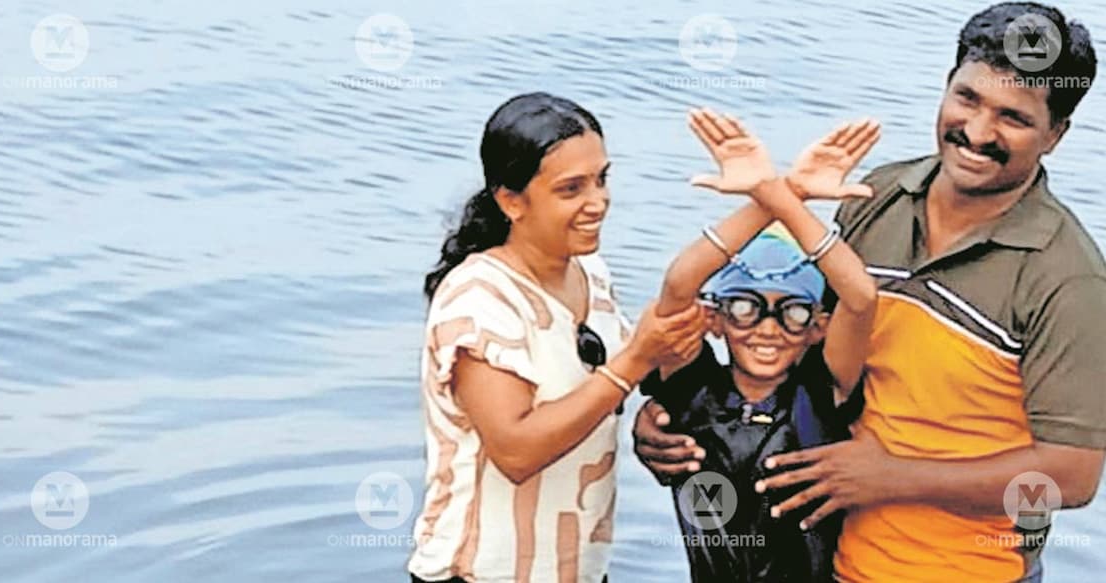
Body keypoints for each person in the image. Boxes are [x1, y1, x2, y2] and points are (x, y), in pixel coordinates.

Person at [633, 3, 1106, 581]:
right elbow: (802, 353)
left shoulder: (1067, 278)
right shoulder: (876, 197)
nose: (978, 132)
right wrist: (680, 421)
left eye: (1014, 117)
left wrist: (891, 476)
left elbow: (1072, 475)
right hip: (828, 561)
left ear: (1055, 135)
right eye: (968, 98)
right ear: (946, 87)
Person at [410, 92, 708, 583]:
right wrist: (634, 361)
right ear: (511, 201)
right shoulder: (477, 300)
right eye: (572, 189)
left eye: (602, 179)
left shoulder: (591, 272)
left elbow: (606, 389)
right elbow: (516, 451)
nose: (599, 203)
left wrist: (650, 421)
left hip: (582, 570)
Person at [639, 109, 878, 581]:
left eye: (792, 314)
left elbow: (861, 295)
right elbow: (680, 284)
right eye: (746, 309)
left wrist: (786, 198)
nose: (767, 329)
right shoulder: (692, 389)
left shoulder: (820, 392)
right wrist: (768, 200)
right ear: (714, 319)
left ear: (818, 327)